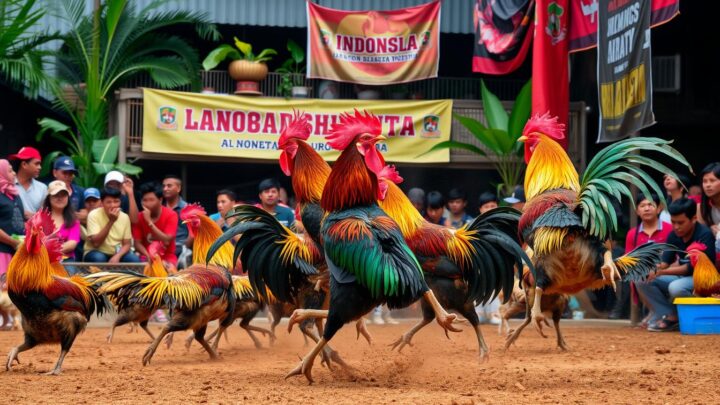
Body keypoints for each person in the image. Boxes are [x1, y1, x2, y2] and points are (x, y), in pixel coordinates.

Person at [636, 198, 716, 332]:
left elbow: (689, 268)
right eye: (673, 222)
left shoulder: (704, 235)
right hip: (683, 277)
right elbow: (665, 262)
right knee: (641, 278)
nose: (676, 226)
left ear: (694, 218)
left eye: (681, 223)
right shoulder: (674, 235)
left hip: (702, 280)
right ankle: (669, 314)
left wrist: (660, 272)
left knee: (676, 287)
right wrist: (651, 269)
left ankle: (686, 316)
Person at [623, 193, 672, 324]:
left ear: (659, 208)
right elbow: (629, 259)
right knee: (637, 276)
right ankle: (655, 311)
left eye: (650, 204)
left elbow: (675, 256)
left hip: (667, 270)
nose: (646, 208)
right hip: (643, 272)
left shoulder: (670, 229)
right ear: (637, 211)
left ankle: (660, 313)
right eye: (642, 205)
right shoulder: (632, 234)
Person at [83, 187, 139, 263]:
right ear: (102, 203)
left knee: (133, 259)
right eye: (109, 202)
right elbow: (96, 243)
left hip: (117, 252)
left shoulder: (125, 217)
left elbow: (127, 244)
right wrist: (111, 221)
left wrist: (117, 256)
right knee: (99, 258)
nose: (113, 205)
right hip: (96, 251)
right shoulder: (93, 215)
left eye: (116, 201)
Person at [132, 182, 178, 269]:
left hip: (167, 257)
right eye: (145, 200)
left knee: (170, 271)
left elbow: (167, 240)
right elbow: (137, 243)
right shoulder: (139, 216)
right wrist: (147, 255)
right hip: (145, 256)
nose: (147, 204)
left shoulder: (171, 215)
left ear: (160, 200)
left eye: (151, 200)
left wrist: (149, 222)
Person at [43, 181, 81, 262]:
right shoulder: (39, 218)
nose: (60, 198)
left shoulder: (74, 220)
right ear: (49, 198)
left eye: (63, 195)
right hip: (42, 259)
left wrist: (52, 251)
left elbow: (72, 243)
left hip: (66, 259)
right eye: (56, 195)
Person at [0, 160, 25, 278]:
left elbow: (19, 219)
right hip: (2, 252)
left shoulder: (15, 193)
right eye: (10, 171)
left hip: (17, 252)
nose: (14, 173)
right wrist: (13, 242)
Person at [8, 146, 47, 218]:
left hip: (35, 229)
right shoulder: (7, 185)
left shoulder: (43, 188)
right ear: (24, 165)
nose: (40, 167)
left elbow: (46, 216)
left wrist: (34, 216)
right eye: (36, 164)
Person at [162, 174, 192, 267]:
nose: (165, 189)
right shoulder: (160, 208)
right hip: (162, 246)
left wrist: (185, 248)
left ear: (178, 188)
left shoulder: (187, 208)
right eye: (163, 186)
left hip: (180, 247)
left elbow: (193, 234)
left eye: (169, 186)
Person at [52, 156, 86, 224]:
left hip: (75, 228)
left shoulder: (80, 191)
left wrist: (87, 212)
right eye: (65, 172)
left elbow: (86, 211)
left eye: (70, 173)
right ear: (55, 173)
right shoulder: (48, 191)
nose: (68, 176)